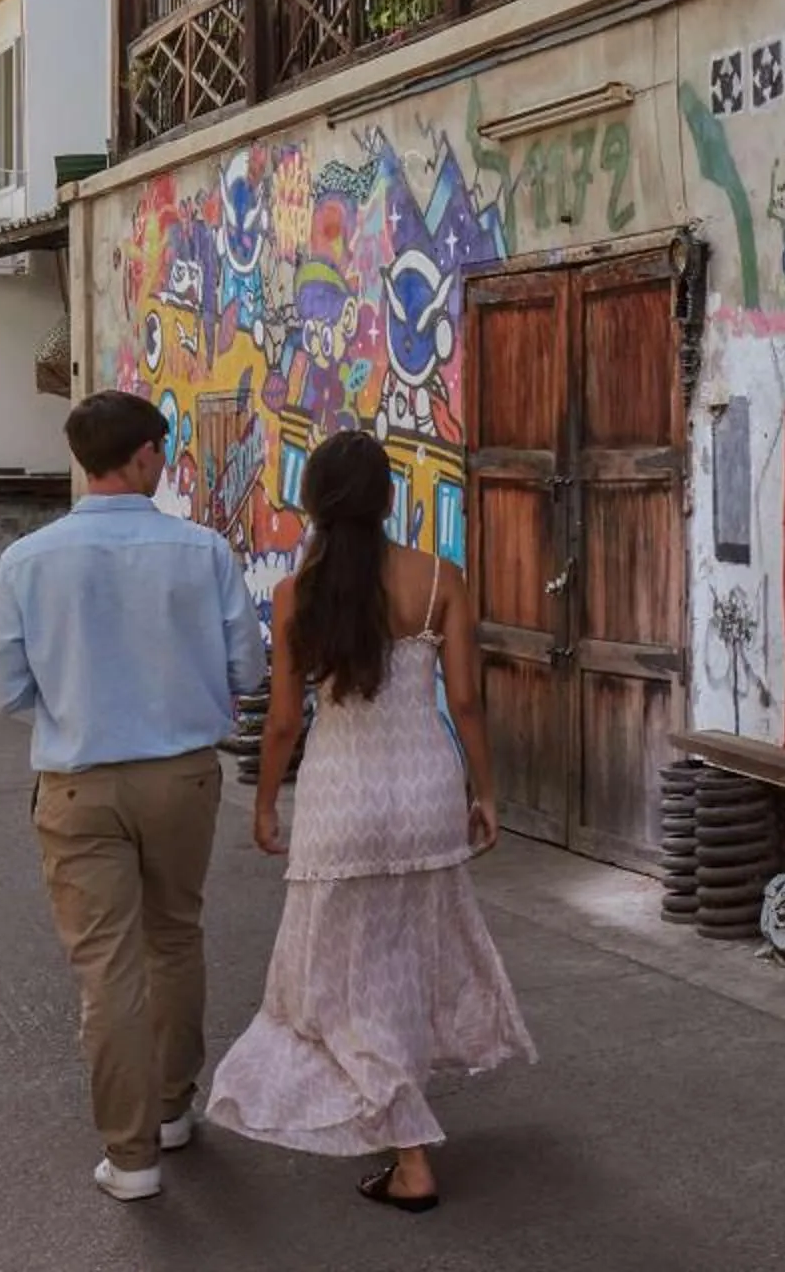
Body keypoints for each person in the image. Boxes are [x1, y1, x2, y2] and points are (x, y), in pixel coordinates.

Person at [207, 429, 533, 1211]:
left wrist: (262, 802)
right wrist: (485, 794)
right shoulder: (437, 580)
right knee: (407, 961)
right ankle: (402, 1128)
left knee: (340, 982)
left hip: (339, 802)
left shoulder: (299, 593)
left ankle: (410, 1155)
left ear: (314, 501)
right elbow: (465, 702)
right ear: (389, 499)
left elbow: (284, 720)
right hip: (424, 794)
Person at [0, 391, 264, 1204]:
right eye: (160, 449)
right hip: (182, 776)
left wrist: (74, 696)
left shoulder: (29, 560)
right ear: (145, 456)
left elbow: (1, 690)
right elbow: (247, 672)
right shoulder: (203, 551)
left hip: (78, 783)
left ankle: (131, 1156)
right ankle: (174, 1111)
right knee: (175, 937)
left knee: (107, 969)